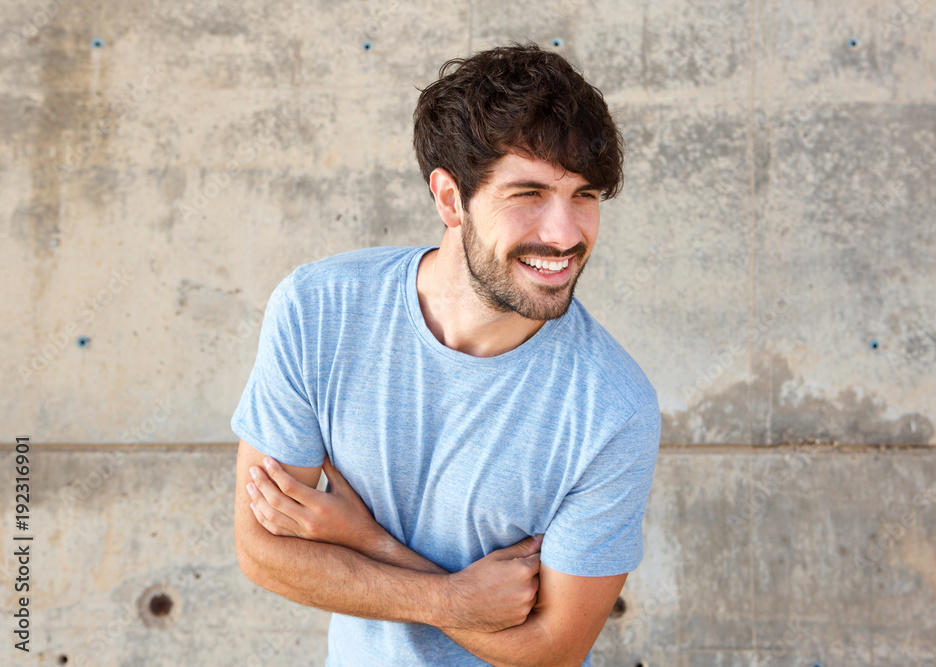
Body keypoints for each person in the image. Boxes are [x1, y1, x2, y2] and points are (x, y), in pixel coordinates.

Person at [232, 41, 661, 666]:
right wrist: (455, 600)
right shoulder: (319, 312)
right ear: (449, 198)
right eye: (528, 194)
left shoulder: (612, 407)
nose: (566, 234)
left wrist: (369, 543)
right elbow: (262, 551)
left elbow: (551, 651)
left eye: (585, 196)